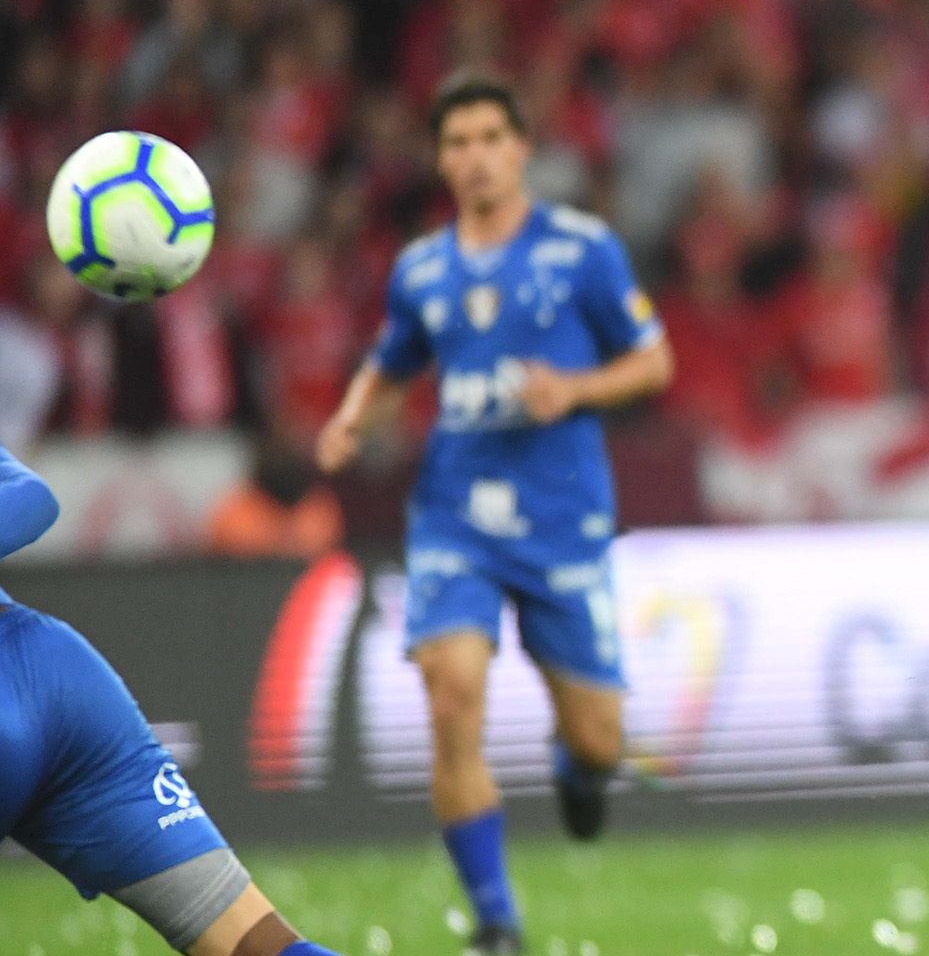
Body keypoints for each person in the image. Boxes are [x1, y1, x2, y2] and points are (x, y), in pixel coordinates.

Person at [315, 73, 674, 955]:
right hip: (454, 519)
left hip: (562, 521)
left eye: (490, 138)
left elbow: (655, 363)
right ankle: (496, 920)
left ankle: (580, 771)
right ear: (441, 160)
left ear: (521, 149)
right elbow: (392, 361)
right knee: (452, 692)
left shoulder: (583, 250)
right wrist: (355, 414)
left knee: (597, 737)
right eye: (458, 142)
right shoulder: (422, 269)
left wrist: (577, 388)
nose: (475, 157)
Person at [0, 445, 340, 956]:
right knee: (253, 943)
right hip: (56, 676)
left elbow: (34, 498)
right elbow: (31, 496)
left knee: (253, 941)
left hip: (52, 686)